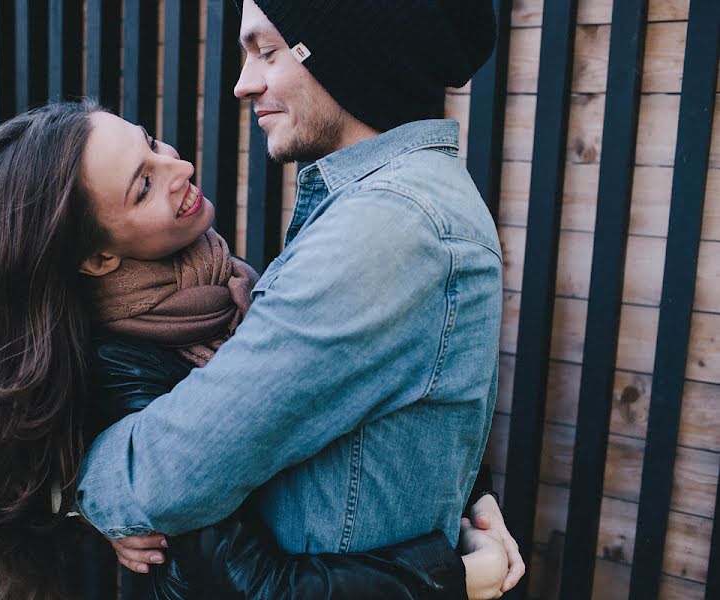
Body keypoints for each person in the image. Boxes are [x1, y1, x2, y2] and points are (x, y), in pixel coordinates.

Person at [0, 101, 512, 600]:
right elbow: (242, 586)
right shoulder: (125, 369)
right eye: (142, 186)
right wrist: (445, 579)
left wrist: (471, 499)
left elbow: (344, 391)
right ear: (98, 259)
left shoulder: (220, 290)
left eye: (153, 143)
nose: (180, 167)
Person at [78, 0, 523, 595]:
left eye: (267, 50)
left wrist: (72, 486)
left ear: (347, 54)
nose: (243, 83)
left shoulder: (386, 229)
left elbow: (161, 482)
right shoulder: (390, 209)